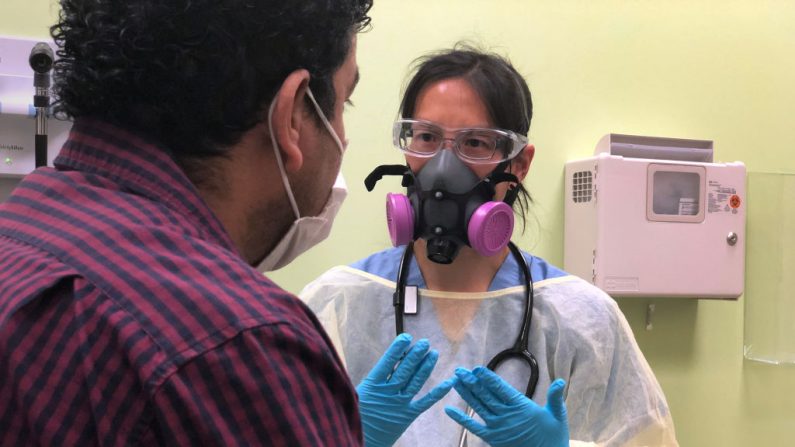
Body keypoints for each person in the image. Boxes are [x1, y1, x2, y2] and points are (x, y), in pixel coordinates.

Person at [0, 0, 378, 445]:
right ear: (293, 112)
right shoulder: (240, 350)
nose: (343, 136)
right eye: (344, 102)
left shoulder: (19, 232)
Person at [301, 46, 679, 446]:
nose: (443, 169)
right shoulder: (338, 303)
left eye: (476, 143)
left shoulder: (582, 318)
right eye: (426, 137)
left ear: (519, 164)